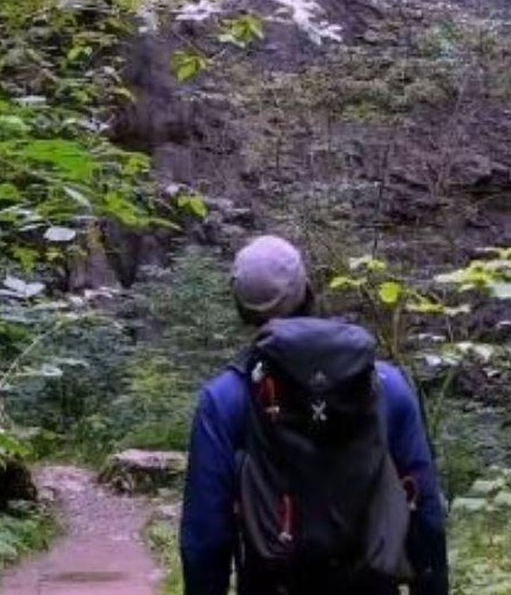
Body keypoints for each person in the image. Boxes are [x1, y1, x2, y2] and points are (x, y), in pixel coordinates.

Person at [180, 235, 449, 595]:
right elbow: (425, 513)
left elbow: (206, 538)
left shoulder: (226, 399)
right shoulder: (386, 385)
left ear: (240, 307)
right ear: (309, 290)